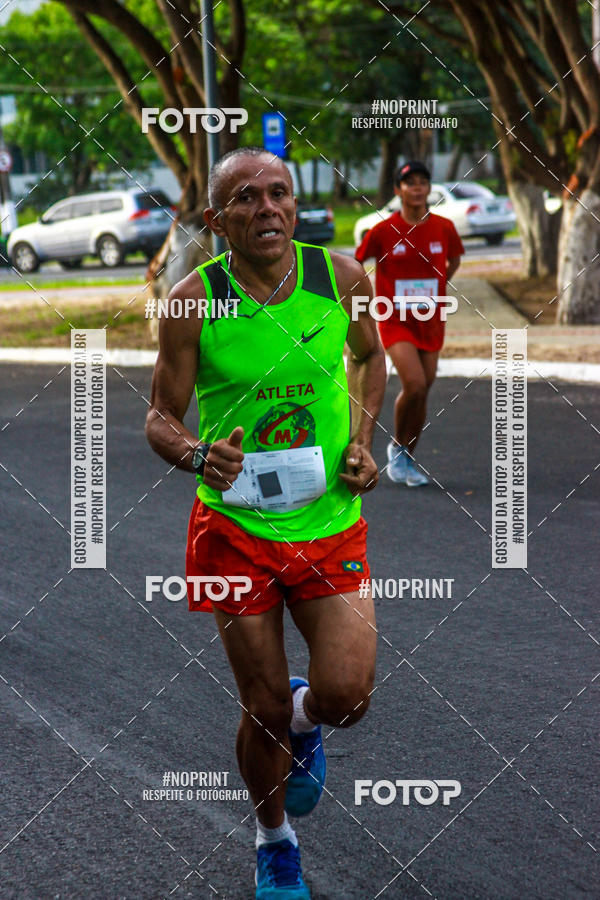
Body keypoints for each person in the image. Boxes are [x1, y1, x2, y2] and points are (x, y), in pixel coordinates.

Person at [145, 146, 386, 899]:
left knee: (347, 696)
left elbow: (370, 359)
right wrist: (197, 455)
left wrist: (363, 440)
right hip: (236, 531)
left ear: (296, 205)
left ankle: (308, 724)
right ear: (217, 221)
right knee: (265, 705)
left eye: (278, 193)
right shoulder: (191, 302)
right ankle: (274, 840)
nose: (267, 208)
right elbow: (160, 416)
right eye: (245, 198)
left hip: (329, 520)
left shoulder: (341, 278)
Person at [355, 160, 464, 486]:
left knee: (422, 390)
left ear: (429, 189)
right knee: (414, 383)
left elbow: (454, 259)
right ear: (398, 190)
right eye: (410, 182)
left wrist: (439, 285)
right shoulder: (383, 230)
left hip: (431, 318)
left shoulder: (444, 227)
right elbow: (356, 262)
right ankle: (398, 451)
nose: (417, 187)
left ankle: (403, 452)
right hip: (394, 319)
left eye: (422, 182)